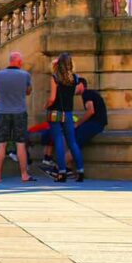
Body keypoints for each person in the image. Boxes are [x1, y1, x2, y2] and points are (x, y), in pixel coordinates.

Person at [38, 76, 106, 174]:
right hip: (95, 123)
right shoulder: (90, 94)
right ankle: (68, 168)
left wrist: (78, 123)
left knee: (74, 143)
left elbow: (91, 111)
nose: (73, 88)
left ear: (81, 85)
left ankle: (58, 168)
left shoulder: (87, 94)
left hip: (95, 124)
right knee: (70, 139)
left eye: (75, 86)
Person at [0, 51, 35, 182]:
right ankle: (24, 174)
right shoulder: (25, 75)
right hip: (19, 112)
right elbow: (28, 91)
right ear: (19, 62)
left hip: (3, 112)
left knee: (1, 144)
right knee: (20, 144)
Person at [45, 53, 84, 182]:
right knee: (72, 142)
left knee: (58, 141)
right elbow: (76, 91)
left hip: (55, 112)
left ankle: (61, 172)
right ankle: (80, 171)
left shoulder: (55, 78)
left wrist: (46, 105)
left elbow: (52, 98)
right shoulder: (75, 78)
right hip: (68, 113)